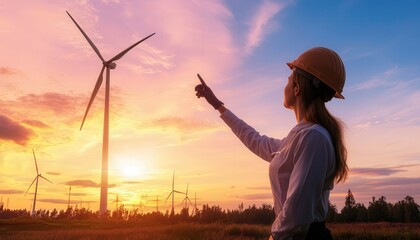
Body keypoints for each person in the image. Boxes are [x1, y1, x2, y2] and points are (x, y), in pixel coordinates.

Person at [194, 47, 348, 240]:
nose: (285, 85)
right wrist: (217, 104)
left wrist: (274, 237)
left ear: (297, 87)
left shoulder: (313, 137)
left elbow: (296, 214)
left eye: (289, 79)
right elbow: (256, 140)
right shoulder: (299, 137)